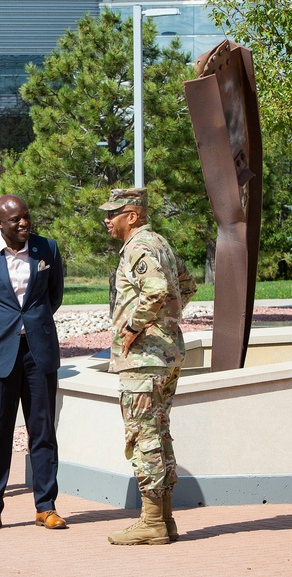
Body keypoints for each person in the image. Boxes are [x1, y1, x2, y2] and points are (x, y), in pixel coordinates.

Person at [0, 194, 67, 533]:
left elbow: (55, 296)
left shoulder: (47, 248)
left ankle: (46, 507)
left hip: (38, 353)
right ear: (0, 224)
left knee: (43, 432)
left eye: (26, 216)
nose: (23, 223)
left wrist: (32, 323)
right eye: (15, 220)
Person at [99, 188, 197, 546]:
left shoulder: (140, 246)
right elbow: (186, 285)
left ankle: (152, 521)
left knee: (144, 436)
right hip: (164, 354)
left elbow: (155, 290)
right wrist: (167, 320)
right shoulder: (160, 243)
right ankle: (164, 519)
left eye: (114, 213)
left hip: (144, 359)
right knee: (159, 432)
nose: (107, 220)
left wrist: (133, 327)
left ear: (134, 215)